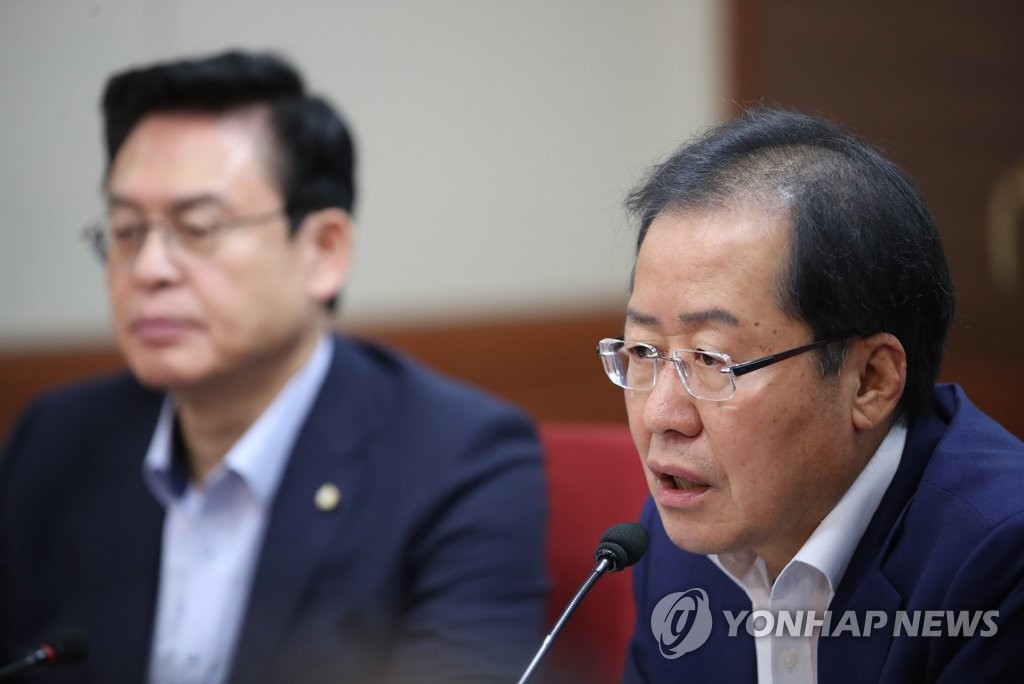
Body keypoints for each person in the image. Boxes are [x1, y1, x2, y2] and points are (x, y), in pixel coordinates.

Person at [0, 50, 547, 684]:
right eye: (126, 230)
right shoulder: (54, 441)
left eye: (197, 228)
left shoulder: (460, 462)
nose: (148, 269)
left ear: (323, 251)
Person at [596, 108, 1024, 682]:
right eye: (644, 351)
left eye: (712, 360)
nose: (661, 414)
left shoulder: (1000, 560)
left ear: (870, 381)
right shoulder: (677, 537)